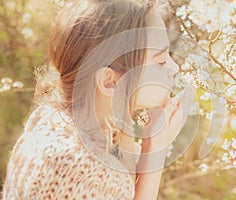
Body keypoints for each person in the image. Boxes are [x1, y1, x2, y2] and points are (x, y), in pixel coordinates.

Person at [2, 0, 188, 199]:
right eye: (160, 61)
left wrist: (154, 146)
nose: (174, 67)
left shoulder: (58, 122)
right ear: (110, 81)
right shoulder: (78, 169)